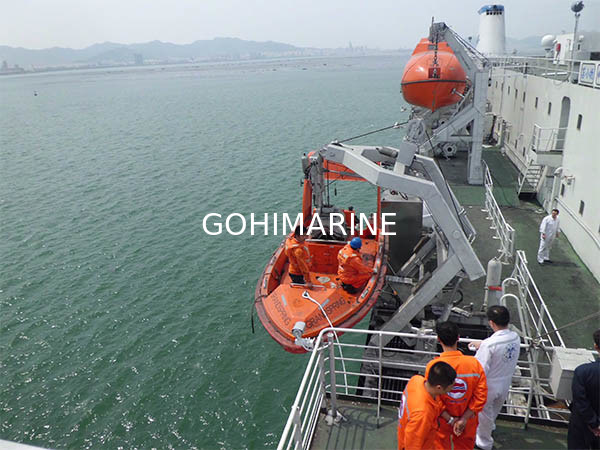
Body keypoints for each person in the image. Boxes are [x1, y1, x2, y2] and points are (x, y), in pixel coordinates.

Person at [424, 322, 488, 450]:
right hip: (468, 419)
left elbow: (432, 397)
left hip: (442, 419)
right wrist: (464, 419)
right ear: (458, 337)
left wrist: (450, 419)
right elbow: (481, 396)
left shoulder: (433, 366)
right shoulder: (474, 364)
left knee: (440, 446)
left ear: (438, 339)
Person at [471, 305, 520, 450]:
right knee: (494, 411)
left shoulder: (488, 345)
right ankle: (489, 428)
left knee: (484, 414)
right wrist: (482, 345)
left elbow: (480, 368)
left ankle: (484, 443)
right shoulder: (515, 337)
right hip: (505, 381)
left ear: (491, 323)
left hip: (489, 384)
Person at [397, 361, 457, 450]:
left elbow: (436, 402)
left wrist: (450, 420)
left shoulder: (416, 380)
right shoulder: (422, 414)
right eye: (451, 386)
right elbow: (413, 446)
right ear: (439, 388)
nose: (453, 388)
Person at [567, 329, 600, 449]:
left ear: (596, 346)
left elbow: (580, 400)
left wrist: (594, 424)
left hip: (582, 426)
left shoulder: (582, 371)